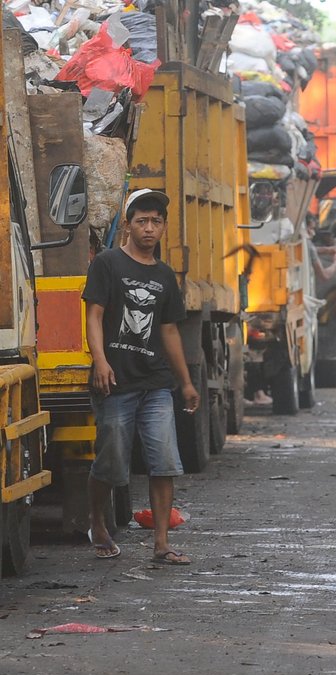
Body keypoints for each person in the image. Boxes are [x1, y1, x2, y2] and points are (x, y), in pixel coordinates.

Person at [82, 188, 199, 565]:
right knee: (112, 462)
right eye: (141, 221)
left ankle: (161, 544)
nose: (149, 228)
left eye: (156, 222)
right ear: (129, 225)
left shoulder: (165, 276)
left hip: (156, 385)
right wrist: (100, 360)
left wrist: (185, 382)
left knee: (163, 460)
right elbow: (94, 316)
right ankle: (97, 521)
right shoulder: (108, 263)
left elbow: (169, 332)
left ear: (163, 227)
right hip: (115, 383)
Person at [305, 213, 336, 290]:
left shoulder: (301, 240)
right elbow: (324, 275)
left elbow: (308, 249)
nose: (313, 233)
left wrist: (327, 250)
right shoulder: (309, 245)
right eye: (310, 229)